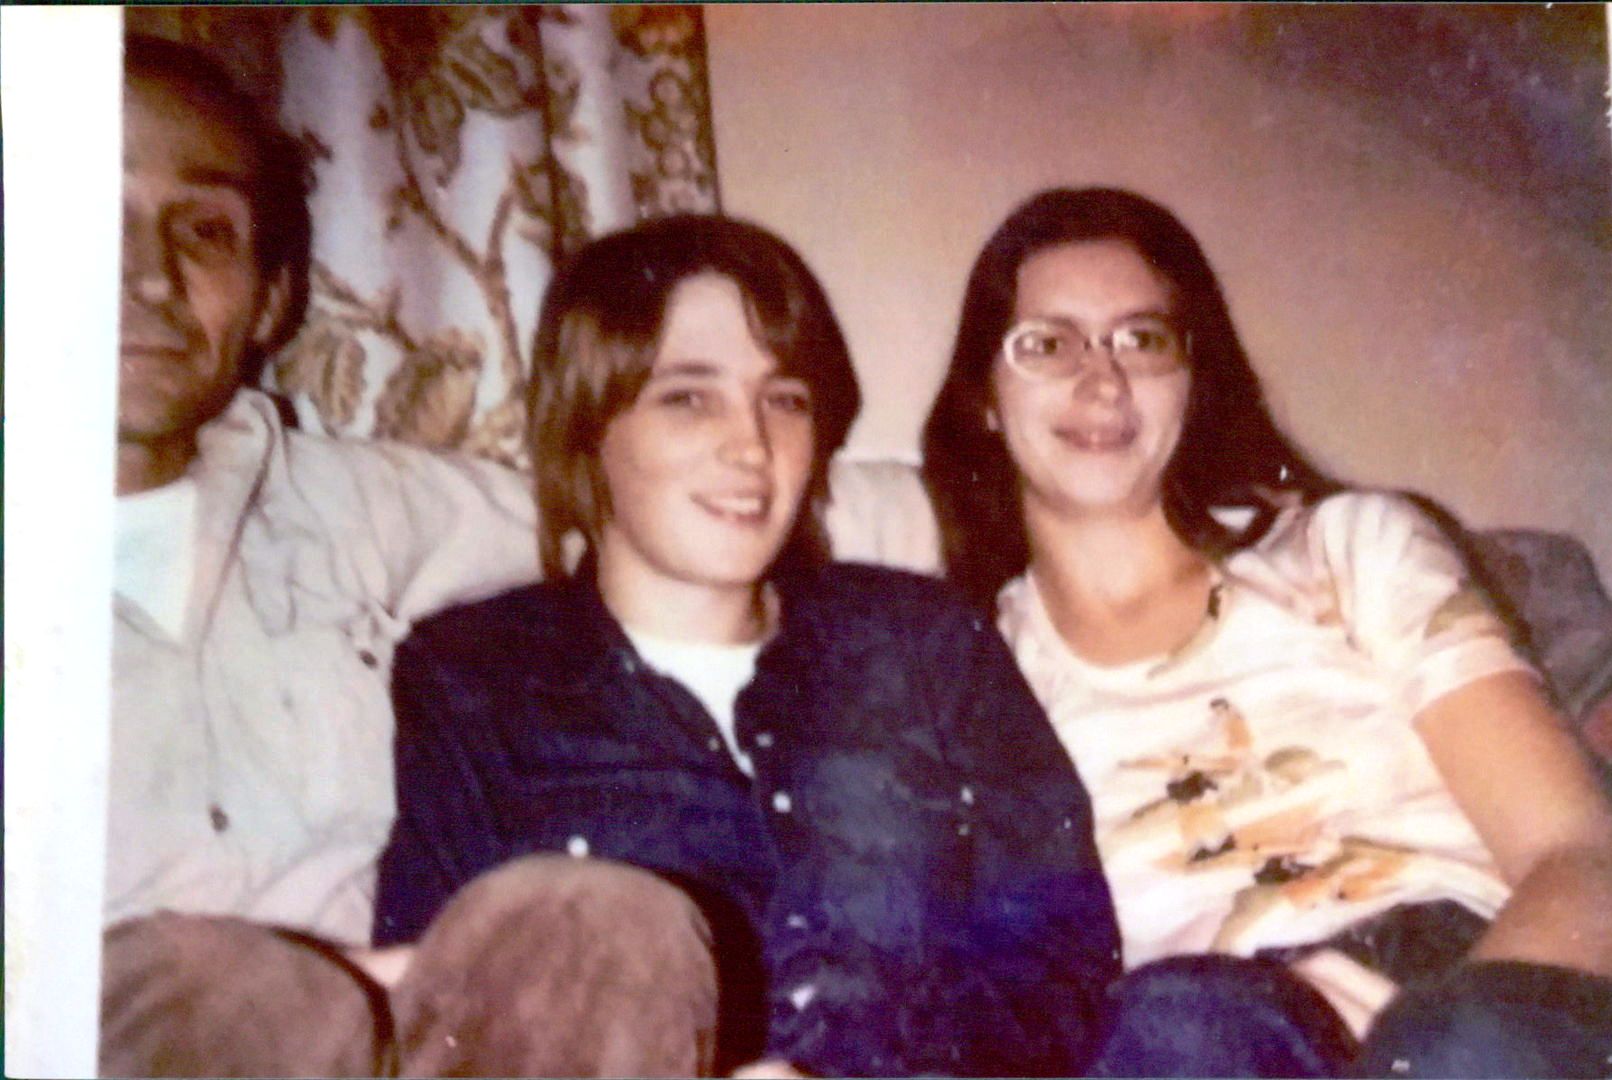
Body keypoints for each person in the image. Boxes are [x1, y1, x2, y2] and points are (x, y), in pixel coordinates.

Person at [372, 213, 1122, 1077]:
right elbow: (443, 1001)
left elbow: (1062, 951)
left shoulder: (921, 639)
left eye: (784, 399)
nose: (751, 445)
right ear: (587, 424)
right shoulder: (474, 678)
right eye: (688, 397)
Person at [922, 187, 1612, 1077]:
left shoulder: (1351, 547)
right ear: (982, 396)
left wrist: (1416, 1052)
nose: (1101, 380)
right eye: (1046, 343)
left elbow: (1583, 858)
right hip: (1198, 1033)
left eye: (1142, 339)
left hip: (1475, 983)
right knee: (1183, 1030)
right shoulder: (962, 679)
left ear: (1191, 381)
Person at [102, 36, 544, 1075]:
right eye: (87, 214)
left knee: (597, 928)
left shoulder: (347, 508)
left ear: (269, 299)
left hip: (370, 1043)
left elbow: (642, 509)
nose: (148, 277)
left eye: (204, 230)